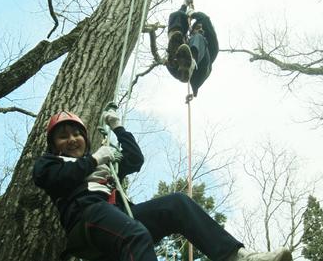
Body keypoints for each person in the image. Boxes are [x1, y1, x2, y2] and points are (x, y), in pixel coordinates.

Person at [32, 109, 293, 261]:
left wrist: (118, 128)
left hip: (119, 217)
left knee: (177, 204)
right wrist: (93, 160)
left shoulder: (104, 164)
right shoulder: (50, 163)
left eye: (77, 134)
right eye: (63, 136)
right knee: (135, 234)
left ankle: (235, 257)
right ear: (54, 146)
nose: (72, 139)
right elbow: (55, 180)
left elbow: (135, 160)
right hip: (86, 218)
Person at [166, 0, 219, 97]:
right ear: (192, 30)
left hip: (201, 70)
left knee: (198, 38)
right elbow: (178, 17)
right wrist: (184, 5)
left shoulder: (211, 43)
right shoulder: (187, 43)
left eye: (201, 28)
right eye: (197, 27)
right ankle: (176, 58)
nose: (200, 29)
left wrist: (193, 14)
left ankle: (190, 63)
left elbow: (205, 19)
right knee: (176, 16)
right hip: (179, 68)